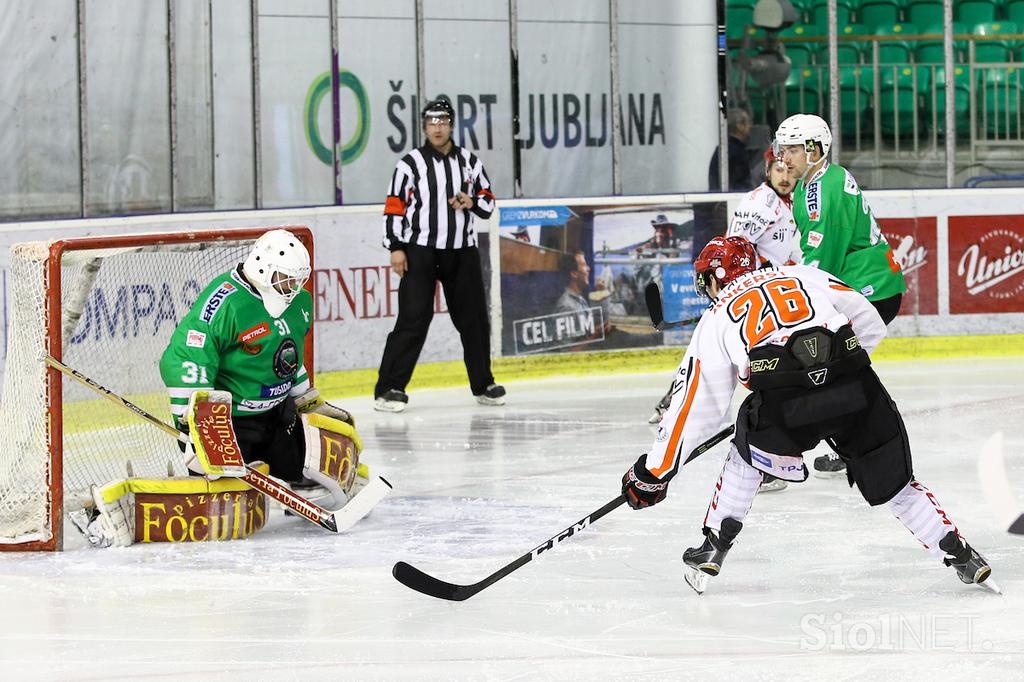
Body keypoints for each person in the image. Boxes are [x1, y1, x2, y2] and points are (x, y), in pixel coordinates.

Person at [620, 236, 994, 594]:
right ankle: (961, 554)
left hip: (788, 409)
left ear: (716, 278)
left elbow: (694, 409)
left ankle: (714, 547)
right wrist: (831, 371)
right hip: (857, 389)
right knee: (898, 484)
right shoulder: (802, 273)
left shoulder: (717, 318)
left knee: (745, 453)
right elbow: (867, 319)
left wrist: (654, 473)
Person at [159, 229, 364, 511]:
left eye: (298, 279)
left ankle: (302, 480)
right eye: (286, 279)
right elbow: (186, 357)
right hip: (229, 426)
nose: (293, 287)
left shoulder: (299, 303)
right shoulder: (224, 303)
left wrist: (307, 398)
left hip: (278, 418)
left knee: (322, 458)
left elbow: (288, 358)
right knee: (227, 504)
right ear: (262, 268)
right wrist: (195, 422)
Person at [775, 113, 907, 477]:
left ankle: (862, 444)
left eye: (792, 148)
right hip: (866, 286)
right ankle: (853, 443)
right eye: (782, 147)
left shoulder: (823, 192)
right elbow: (811, 257)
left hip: (870, 291)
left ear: (814, 149)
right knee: (835, 372)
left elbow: (820, 264)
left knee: (834, 372)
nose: (783, 156)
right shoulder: (814, 181)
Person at [375, 98, 505, 412]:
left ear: (451, 125)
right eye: (432, 122)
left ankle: (483, 383)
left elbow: (488, 203)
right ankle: (388, 387)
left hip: (462, 252)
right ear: (424, 126)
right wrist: (396, 247)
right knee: (413, 319)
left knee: (474, 320)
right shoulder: (410, 163)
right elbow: (395, 206)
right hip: (420, 250)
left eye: (443, 121)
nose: (437, 127)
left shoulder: (469, 162)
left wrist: (469, 200)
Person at [692, 108, 758, 262]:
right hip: (726, 212)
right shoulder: (735, 151)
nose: (750, 127)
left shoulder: (725, 148)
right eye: (748, 123)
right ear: (740, 126)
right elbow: (739, 186)